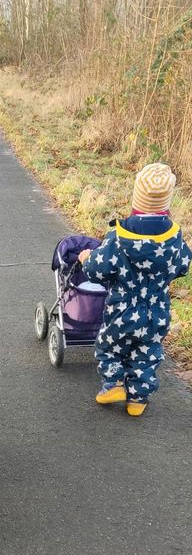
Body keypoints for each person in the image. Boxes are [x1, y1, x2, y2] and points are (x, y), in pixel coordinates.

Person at [78, 162, 191, 416]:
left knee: (109, 346)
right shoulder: (175, 241)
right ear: (168, 207)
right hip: (156, 313)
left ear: (135, 202)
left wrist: (86, 258)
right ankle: (138, 400)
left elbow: (98, 269)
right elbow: (183, 266)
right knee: (148, 354)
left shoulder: (119, 239)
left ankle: (114, 384)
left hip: (121, 311)